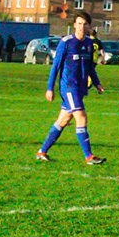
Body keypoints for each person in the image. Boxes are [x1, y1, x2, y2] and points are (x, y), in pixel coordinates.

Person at [36, 11, 105, 165]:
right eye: (79, 24)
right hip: (68, 87)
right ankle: (89, 156)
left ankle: (42, 151)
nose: (82, 27)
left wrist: (97, 83)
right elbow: (55, 67)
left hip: (80, 88)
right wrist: (49, 88)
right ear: (74, 25)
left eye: (85, 24)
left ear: (89, 26)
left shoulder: (88, 44)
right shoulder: (66, 42)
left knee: (63, 119)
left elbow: (90, 68)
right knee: (81, 117)